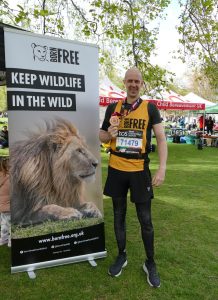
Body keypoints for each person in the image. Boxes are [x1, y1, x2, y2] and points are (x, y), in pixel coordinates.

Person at [99, 67, 167, 288]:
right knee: (118, 216)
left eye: (137, 81)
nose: (133, 84)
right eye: (130, 81)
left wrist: (162, 168)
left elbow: (161, 139)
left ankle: (150, 262)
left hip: (139, 170)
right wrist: (109, 133)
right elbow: (101, 136)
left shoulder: (150, 108)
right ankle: (122, 255)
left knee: (145, 221)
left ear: (142, 83)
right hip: (117, 168)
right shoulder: (113, 108)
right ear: (124, 83)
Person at [0, 156, 11, 247]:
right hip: (9, 206)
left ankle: (3, 240)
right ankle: (10, 243)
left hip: (2, 207)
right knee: (11, 225)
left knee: (4, 224)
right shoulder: (10, 178)